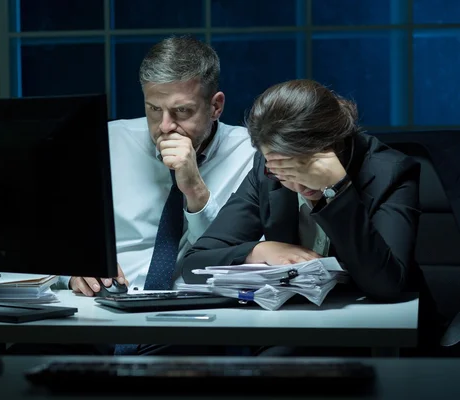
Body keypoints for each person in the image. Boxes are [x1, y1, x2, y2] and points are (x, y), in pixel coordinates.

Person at [182, 78, 441, 353]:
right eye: (281, 170)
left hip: (378, 335)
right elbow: (195, 263)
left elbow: (386, 286)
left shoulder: (392, 171)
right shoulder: (267, 170)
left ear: (333, 147)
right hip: (294, 325)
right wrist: (260, 250)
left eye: (302, 167)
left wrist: (337, 191)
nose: (295, 185)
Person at [57, 35, 256, 296]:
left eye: (182, 111)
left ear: (216, 106)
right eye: (153, 109)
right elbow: (54, 235)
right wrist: (72, 268)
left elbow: (236, 258)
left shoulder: (251, 155)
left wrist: (195, 190)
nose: (164, 126)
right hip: (105, 306)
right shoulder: (106, 143)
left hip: (200, 311)